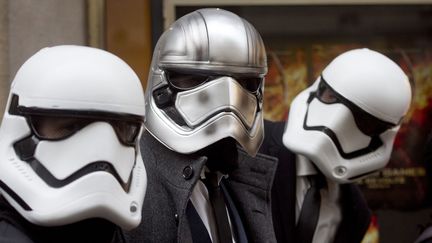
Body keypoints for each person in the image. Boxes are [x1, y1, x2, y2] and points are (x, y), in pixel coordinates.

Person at [125, 8, 277, 243]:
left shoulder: (240, 178)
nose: (229, 97)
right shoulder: (131, 181)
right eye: (195, 78)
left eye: (246, 82)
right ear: (162, 82)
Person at [259, 48, 412, 243]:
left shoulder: (355, 212)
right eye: (331, 96)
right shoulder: (247, 149)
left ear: (380, 133)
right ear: (319, 89)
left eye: (362, 119)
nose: (335, 122)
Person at [0, 45, 147, 243]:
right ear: (22, 129)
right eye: (70, 127)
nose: (101, 152)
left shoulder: (114, 233)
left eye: (121, 129)